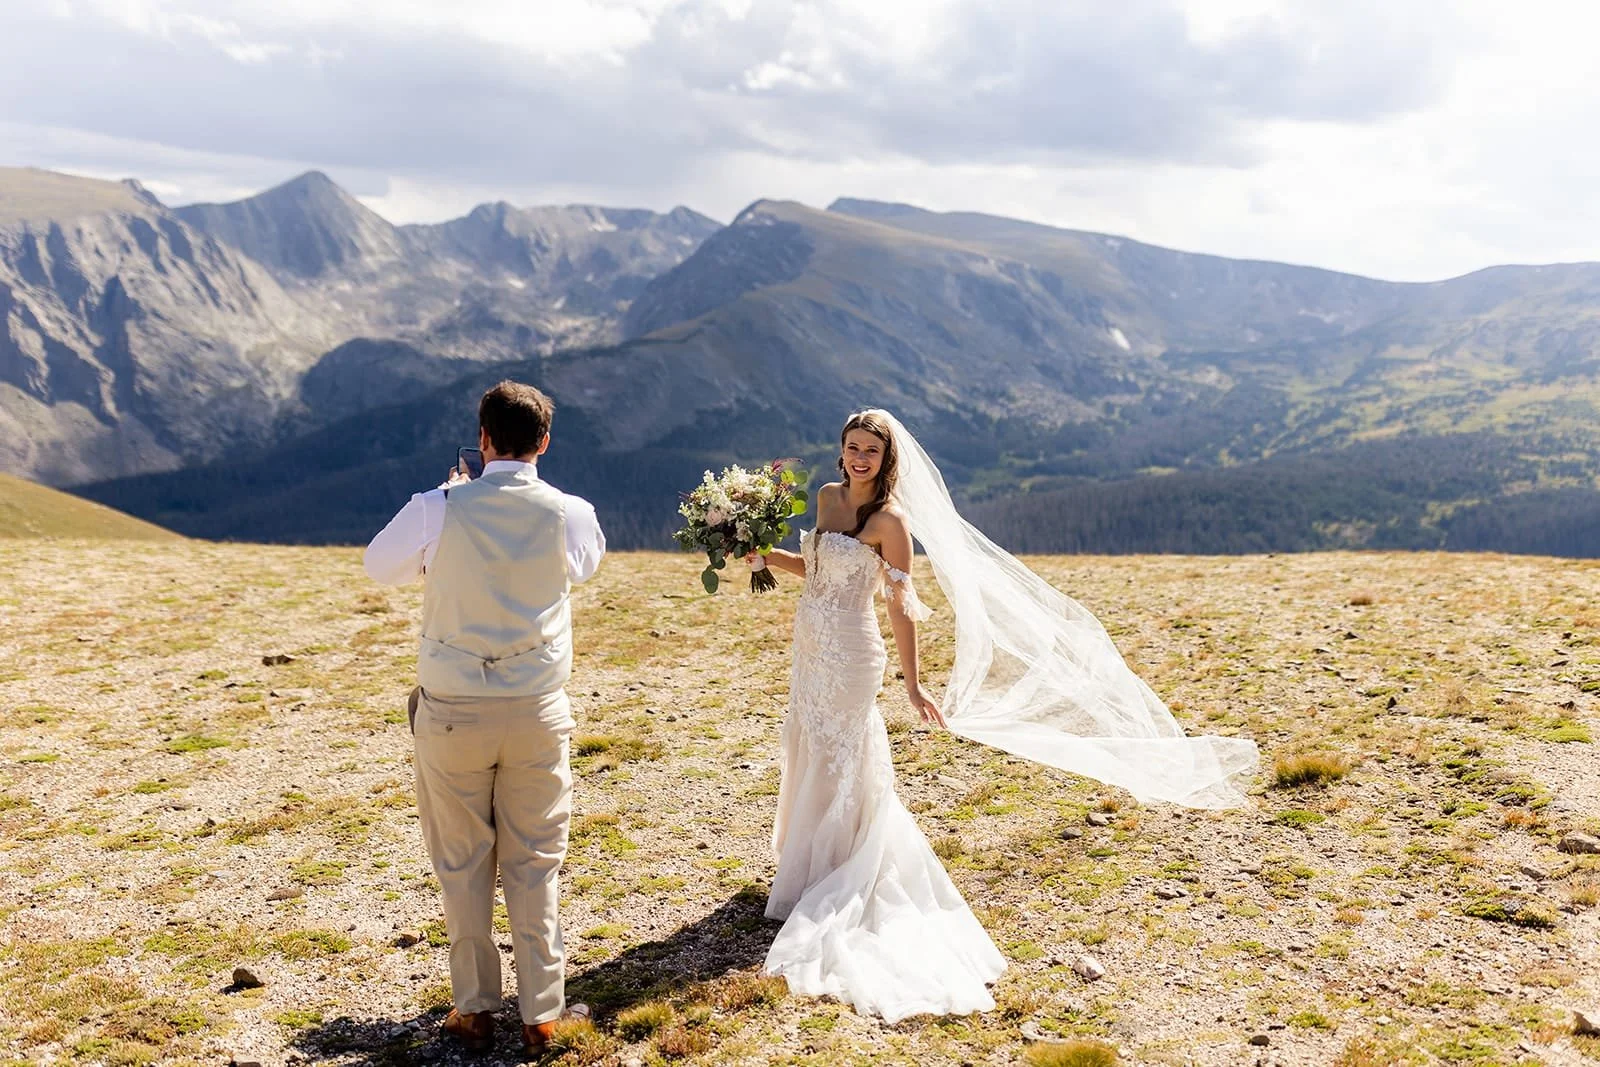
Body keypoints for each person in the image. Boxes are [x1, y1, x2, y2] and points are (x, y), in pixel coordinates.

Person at [748, 409, 1258, 1022]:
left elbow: (901, 605)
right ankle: (809, 865)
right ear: (840, 452)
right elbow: (818, 572)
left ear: (886, 461)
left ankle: (842, 866)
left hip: (854, 655)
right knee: (810, 745)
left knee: (843, 754)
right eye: (853, 447)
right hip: (811, 650)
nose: (860, 458)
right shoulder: (827, 498)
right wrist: (764, 555)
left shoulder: (892, 522)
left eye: (871, 452)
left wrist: (915, 685)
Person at [364, 380, 605, 1055]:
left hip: (452, 710)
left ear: (483, 438)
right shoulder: (570, 511)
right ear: (544, 442)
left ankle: (474, 1009)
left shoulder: (437, 507)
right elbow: (585, 568)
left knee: (463, 860)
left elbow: (378, 565)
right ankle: (544, 1012)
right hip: (536, 707)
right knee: (535, 861)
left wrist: (443, 512)